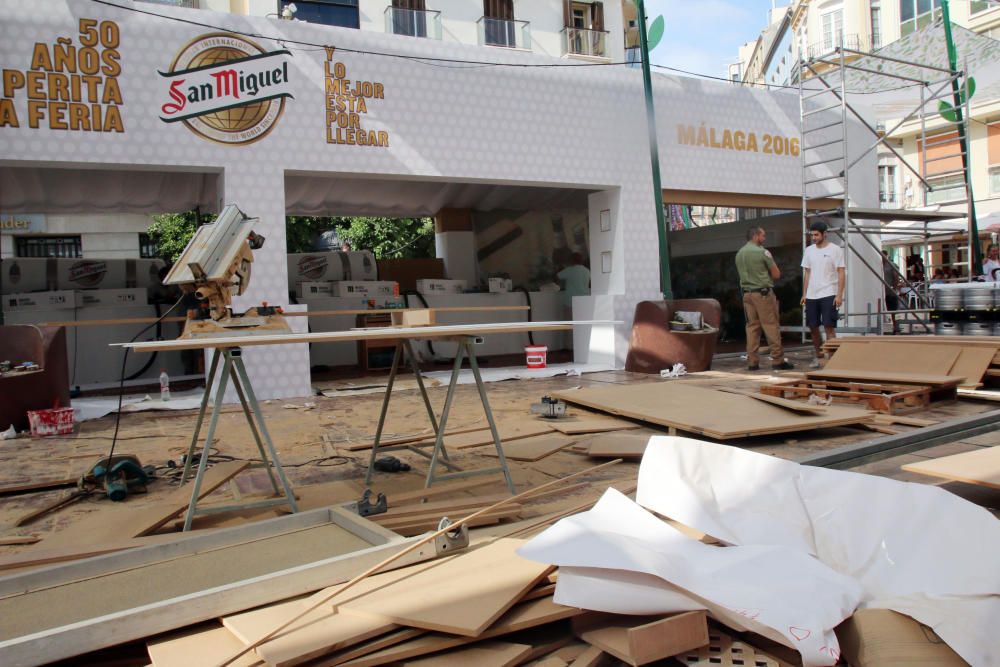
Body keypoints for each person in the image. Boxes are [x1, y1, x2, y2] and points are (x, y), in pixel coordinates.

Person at [735, 226, 793, 371]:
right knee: (770, 325)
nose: (764, 239)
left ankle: (752, 362)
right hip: (763, 294)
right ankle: (778, 360)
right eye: (763, 236)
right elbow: (776, 274)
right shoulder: (762, 252)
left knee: (752, 328)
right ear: (755, 236)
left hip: (747, 294)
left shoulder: (739, 254)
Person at [800, 221, 845, 368]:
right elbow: (807, 273)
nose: (813, 237)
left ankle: (833, 358)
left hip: (829, 292)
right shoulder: (809, 250)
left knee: (829, 326)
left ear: (825, 234)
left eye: (816, 234)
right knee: (813, 326)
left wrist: (839, 295)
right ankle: (819, 355)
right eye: (812, 235)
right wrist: (804, 293)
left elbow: (841, 272)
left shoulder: (836, 250)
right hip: (812, 294)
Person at [556, 252, 591, 319]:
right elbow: (589, 283)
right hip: (584, 301)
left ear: (572, 260)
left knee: (569, 324)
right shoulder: (587, 271)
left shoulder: (569, 270)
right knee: (582, 322)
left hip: (570, 302)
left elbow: (557, 277)